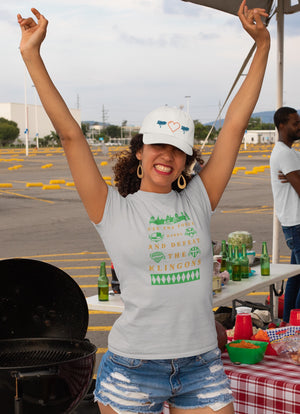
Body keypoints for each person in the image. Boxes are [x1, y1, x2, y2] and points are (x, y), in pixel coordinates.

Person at [17, 1, 270, 413]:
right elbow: (70, 136)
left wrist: (262, 46)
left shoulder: (198, 200)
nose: (166, 156)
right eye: (157, 145)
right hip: (134, 369)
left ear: (188, 161)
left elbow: (236, 127)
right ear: (139, 151)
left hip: (201, 365)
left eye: (178, 150)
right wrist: (32, 54)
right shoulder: (112, 209)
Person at [270, 107, 300, 323]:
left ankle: (288, 323)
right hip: (297, 224)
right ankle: (296, 327)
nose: (299, 127)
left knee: (295, 278)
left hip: (293, 223)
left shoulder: (290, 153)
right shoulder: (284, 154)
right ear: (282, 126)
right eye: (295, 123)